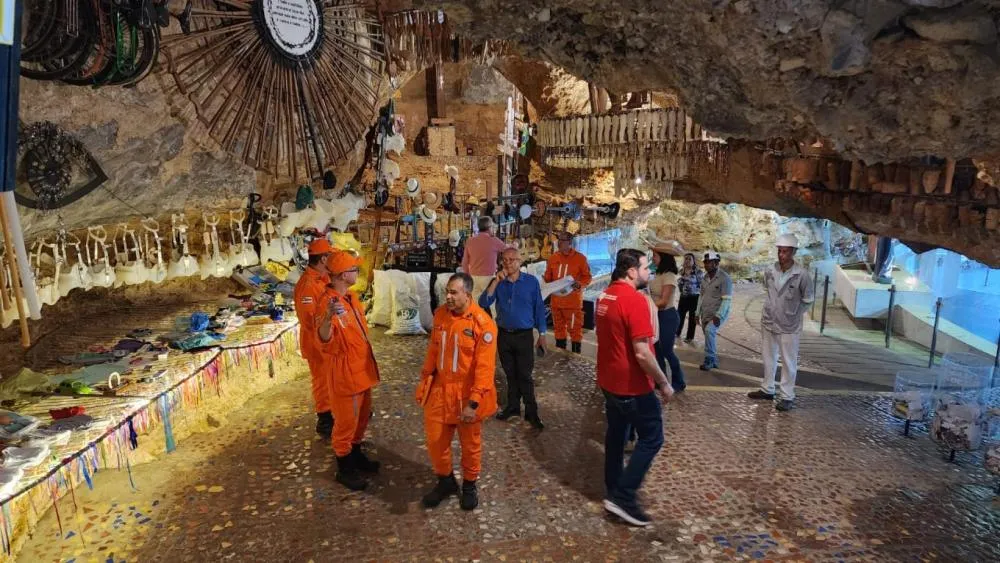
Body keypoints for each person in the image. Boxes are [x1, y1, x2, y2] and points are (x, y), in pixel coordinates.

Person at [595, 248, 674, 527]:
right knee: (652, 438)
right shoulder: (634, 301)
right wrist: (664, 382)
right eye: (644, 268)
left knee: (616, 436)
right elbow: (642, 352)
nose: (648, 272)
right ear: (631, 271)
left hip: (609, 382)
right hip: (632, 385)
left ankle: (613, 488)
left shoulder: (605, 296)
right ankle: (624, 497)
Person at [417, 273, 498, 511]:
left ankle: (470, 485)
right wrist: (425, 378)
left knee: (470, 444)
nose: (449, 297)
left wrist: (473, 403)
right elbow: (434, 349)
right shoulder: (441, 314)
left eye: (454, 293)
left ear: (468, 294)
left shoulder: (483, 324)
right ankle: (446, 482)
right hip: (440, 390)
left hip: (466, 394)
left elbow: (485, 368)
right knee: (435, 441)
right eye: (447, 293)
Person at [316, 250, 381, 491]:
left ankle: (354, 454)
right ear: (343, 275)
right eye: (354, 269)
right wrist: (327, 318)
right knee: (345, 423)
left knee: (362, 417)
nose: (357, 272)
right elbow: (323, 338)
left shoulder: (351, 299)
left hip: (362, 369)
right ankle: (344, 468)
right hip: (345, 374)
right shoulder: (328, 304)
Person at [479, 248, 547, 429]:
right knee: (510, 374)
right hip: (504, 335)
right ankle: (513, 407)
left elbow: (539, 308)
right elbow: (483, 303)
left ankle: (532, 412)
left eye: (511, 260)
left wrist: (542, 333)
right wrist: (495, 281)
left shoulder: (531, 282)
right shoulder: (498, 283)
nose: (507, 263)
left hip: (524, 335)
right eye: (504, 260)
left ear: (519, 262)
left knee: (524, 375)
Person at [748, 234, 814, 411]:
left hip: (789, 326)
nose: (781, 255)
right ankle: (767, 388)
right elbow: (768, 292)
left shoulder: (802, 275)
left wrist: (794, 315)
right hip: (769, 321)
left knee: (788, 361)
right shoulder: (770, 270)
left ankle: (787, 395)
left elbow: (808, 300)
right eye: (779, 251)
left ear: (793, 252)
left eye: (785, 252)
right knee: (768, 357)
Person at [293, 239, 336, 438]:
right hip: (316, 341)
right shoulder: (308, 285)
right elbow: (309, 320)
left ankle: (340, 410)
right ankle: (325, 418)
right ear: (324, 258)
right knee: (321, 380)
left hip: (328, 338)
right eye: (331, 255)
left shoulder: (323, 277)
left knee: (332, 377)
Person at [543, 231, 593, 353]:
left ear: (570, 242)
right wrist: (544, 280)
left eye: (563, 240)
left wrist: (579, 284)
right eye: (559, 240)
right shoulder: (553, 257)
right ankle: (560, 356)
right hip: (556, 302)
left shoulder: (580, 258)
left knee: (575, 330)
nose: (559, 242)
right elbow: (548, 278)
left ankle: (576, 358)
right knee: (558, 330)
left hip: (572, 302)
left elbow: (587, 277)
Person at [649, 245, 685, 392]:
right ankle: (661, 380)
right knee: (657, 350)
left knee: (667, 351)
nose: (653, 258)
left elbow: (663, 302)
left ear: (663, 258)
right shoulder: (656, 273)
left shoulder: (669, 276)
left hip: (667, 317)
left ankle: (679, 381)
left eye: (655, 256)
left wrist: (646, 306)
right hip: (656, 316)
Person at [696, 251, 733, 371]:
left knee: (709, 331)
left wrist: (719, 315)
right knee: (708, 335)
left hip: (717, 313)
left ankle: (710, 359)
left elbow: (726, 300)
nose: (706, 265)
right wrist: (697, 313)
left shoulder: (724, 278)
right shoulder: (705, 278)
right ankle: (714, 359)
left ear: (716, 263)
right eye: (705, 262)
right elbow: (701, 296)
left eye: (708, 262)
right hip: (706, 312)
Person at [461, 216, 508, 302]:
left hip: (474, 277)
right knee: (493, 304)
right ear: (489, 227)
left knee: (475, 305)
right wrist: (515, 245)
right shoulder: (494, 240)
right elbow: (508, 250)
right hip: (489, 278)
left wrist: (468, 276)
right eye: (493, 227)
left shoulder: (470, 241)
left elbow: (464, 263)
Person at [676, 253, 703, 343]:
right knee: (679, 316)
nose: (687, 261)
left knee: (692, 318)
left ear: (693, 261)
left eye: (689, 259)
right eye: (686, 259)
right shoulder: (681, 270)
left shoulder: (698, 271)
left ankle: (689, 337)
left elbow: (701, 285)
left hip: (694, 298)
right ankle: (677, 333)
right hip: (683, 297)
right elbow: (678, 282)